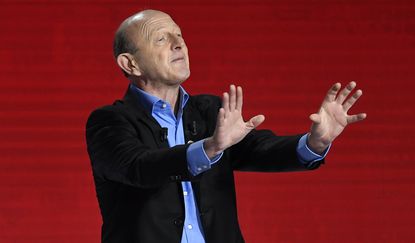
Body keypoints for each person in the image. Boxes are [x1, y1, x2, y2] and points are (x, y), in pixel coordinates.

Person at [86, 9, 366, 243]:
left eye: (179, 35)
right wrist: (209, 148)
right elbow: (140, 167)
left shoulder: (209, 111)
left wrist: (315, 142)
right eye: (161, 38)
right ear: (130, 63)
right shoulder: (109, 121)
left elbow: (261, 149)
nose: (178, 44)